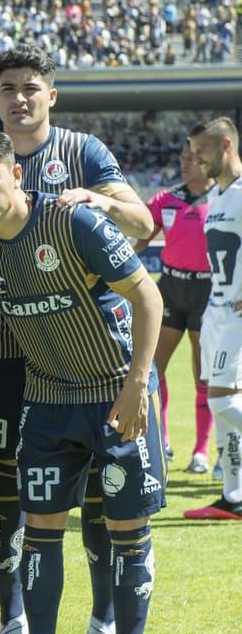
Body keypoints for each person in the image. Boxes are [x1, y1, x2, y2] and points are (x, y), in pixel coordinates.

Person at [0, 45, 154, 634]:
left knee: (107, 498)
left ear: (50, 94)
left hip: (90, 351)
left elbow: (144, 224)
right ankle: (13, 624)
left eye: (28, 87)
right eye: (6, 89)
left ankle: (105, 623)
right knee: (8, 492)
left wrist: (99, 205)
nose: (17, 98)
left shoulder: (83, 152)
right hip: (7, 356)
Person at [133, 143, 215, 473]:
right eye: (182, 158)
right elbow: (139, 238)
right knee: (153, 369)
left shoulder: (225, 199)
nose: (185, 164)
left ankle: (201, 451)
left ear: (210, 162)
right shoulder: (166, 199)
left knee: (204, 376)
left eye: (192, 159)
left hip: (207, 292)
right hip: (169, 289)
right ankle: (162, 441)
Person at [183, 117, 242, 520]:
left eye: (200, 150)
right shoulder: (217, 198)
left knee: (222, 401)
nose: (194, 158)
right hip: (215, 313)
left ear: (224, 145)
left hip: (237, 316)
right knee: (219, 399)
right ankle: (234, 497)